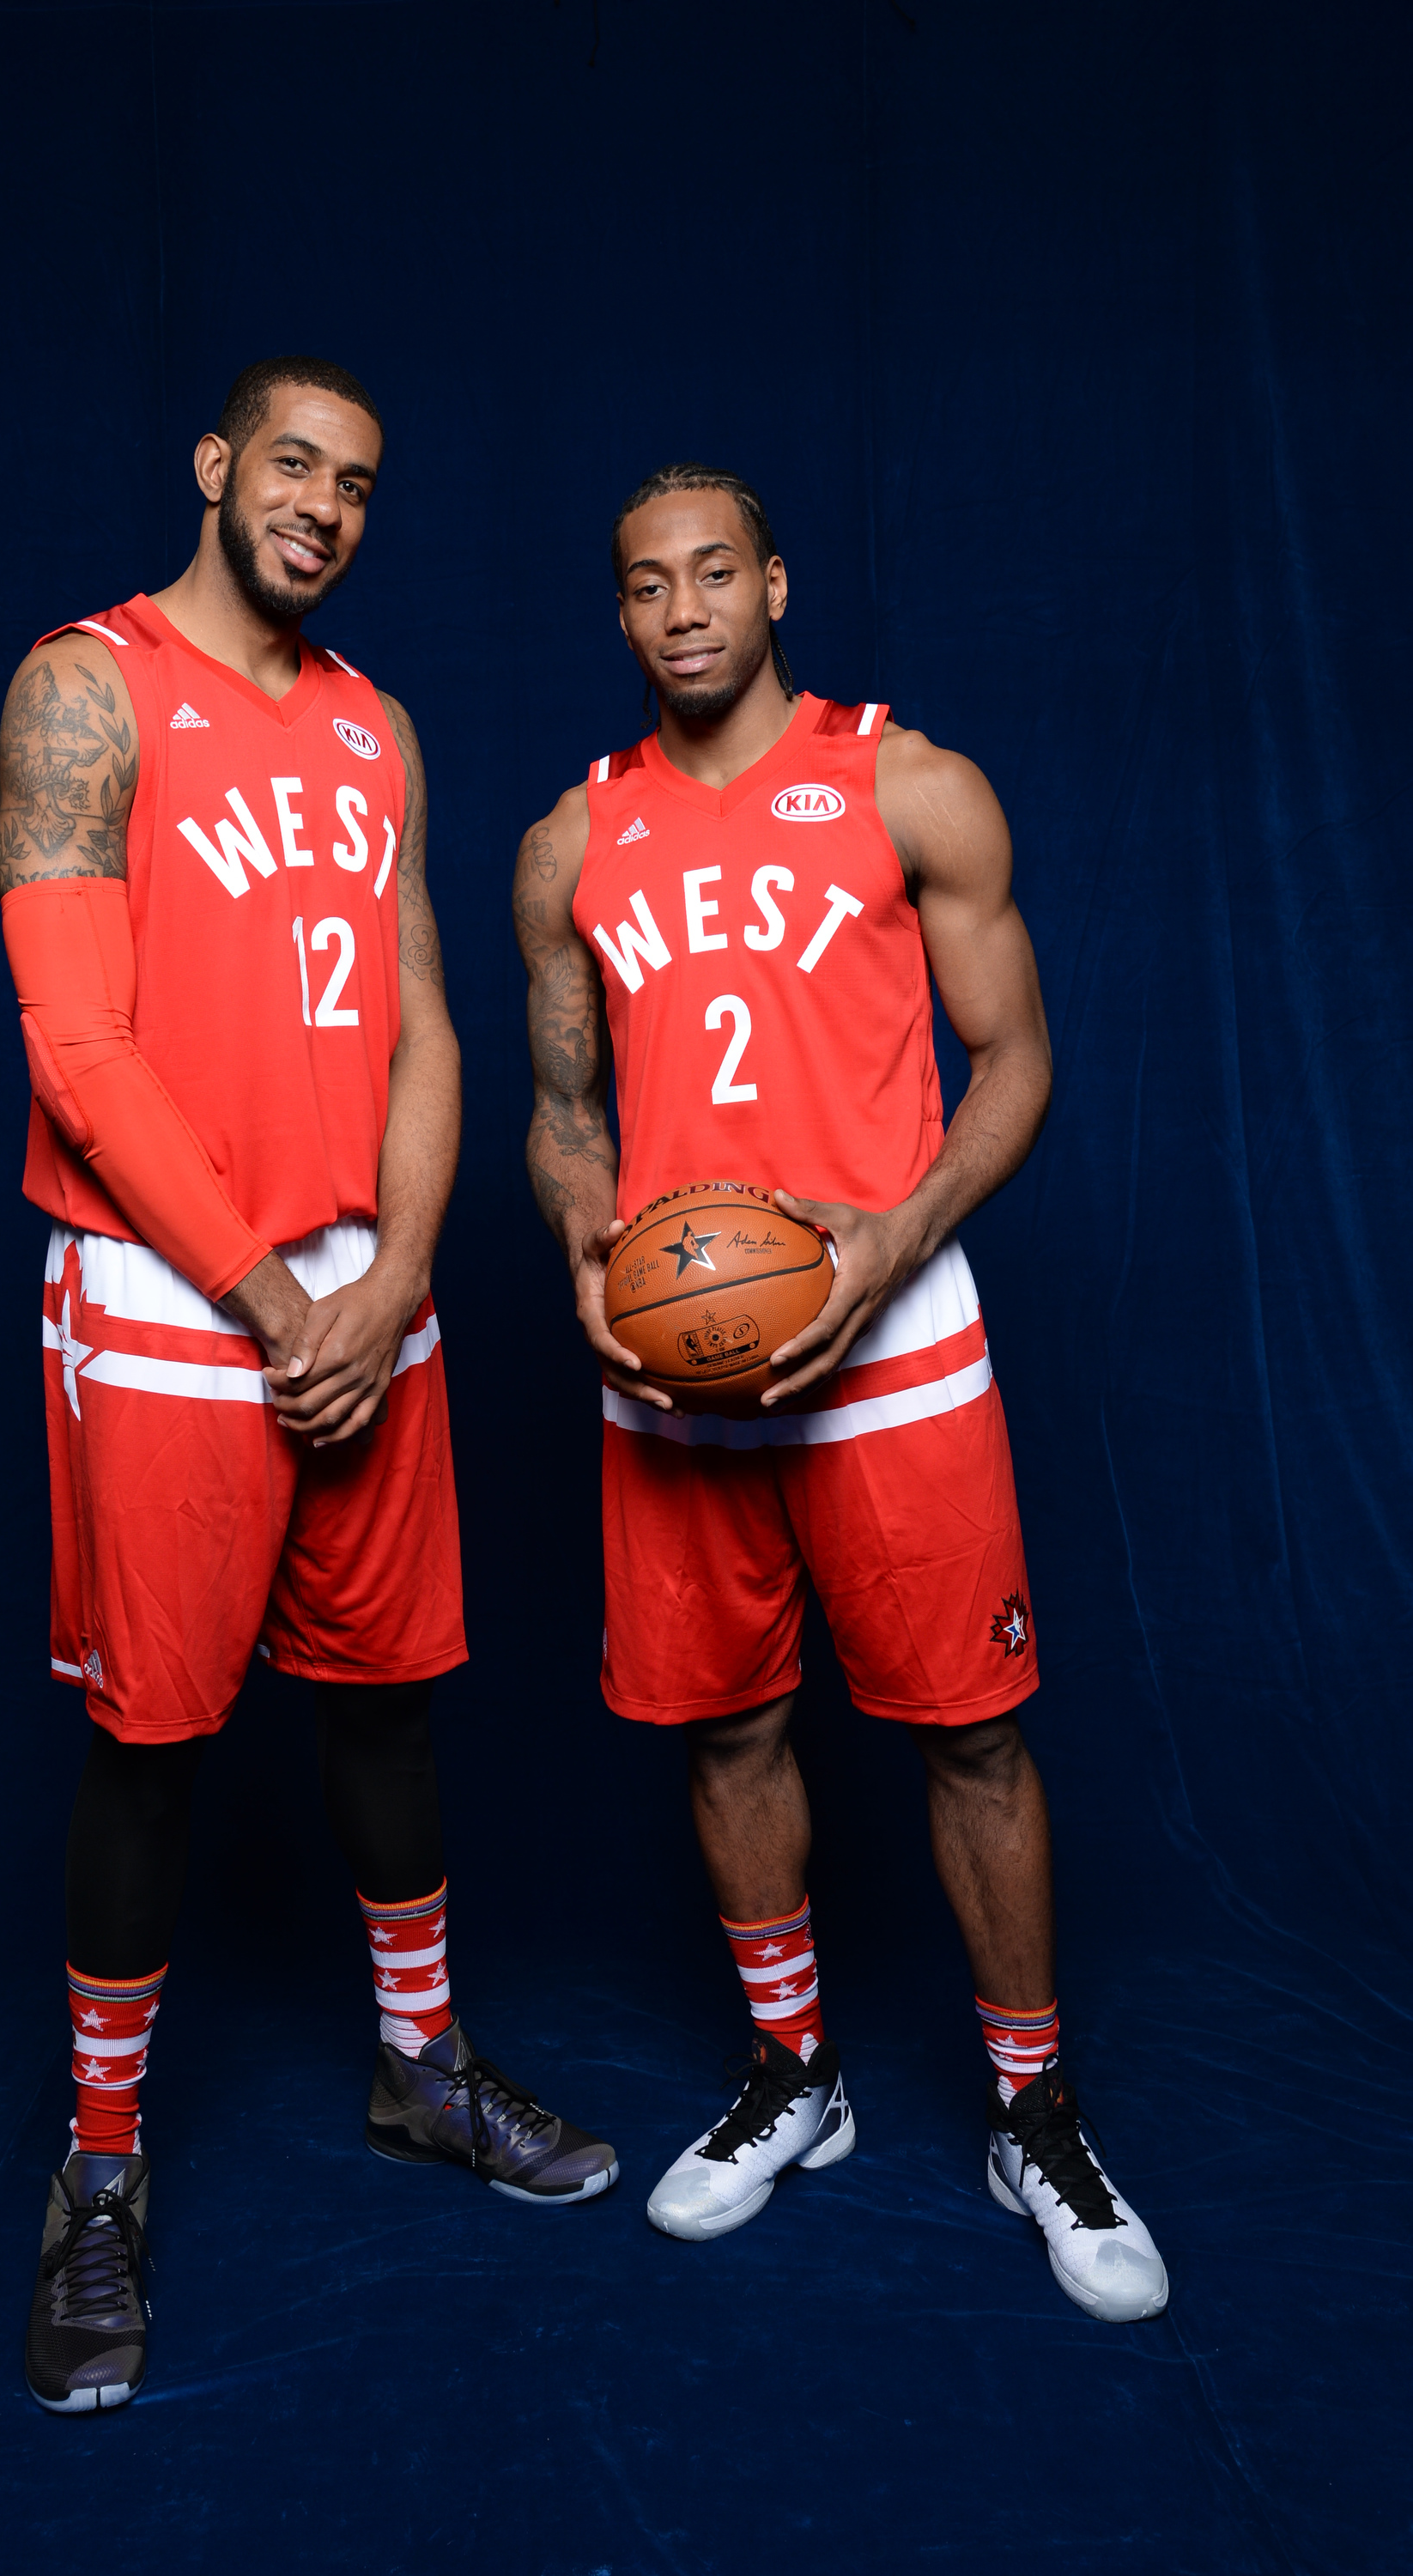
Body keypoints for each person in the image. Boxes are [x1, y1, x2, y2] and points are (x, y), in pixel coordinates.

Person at [0, 355, 616, 2415]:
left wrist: (408, 1271)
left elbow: (433, 1022)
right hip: (187, 1306)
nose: (325, 509)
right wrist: (277, 1299)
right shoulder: (84, 685)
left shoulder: (375, 727)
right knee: (156, 1744)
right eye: (293, 466)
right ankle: (103, 2176)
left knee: (383, 1704)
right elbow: (80, 1053)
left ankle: (419, 2070)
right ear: (215, 467)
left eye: (358, 485)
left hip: (372, 1293)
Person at [512, 461, 1166, 2323]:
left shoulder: (911, 786)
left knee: (972, 1735)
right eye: (647, 585)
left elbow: (1015, 1057)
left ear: (776, 583)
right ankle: (798, 2078)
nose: (685, 609)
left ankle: (1033, 2113)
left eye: (717, 572)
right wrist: (579, 1243)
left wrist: (890, 1235)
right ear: (623, 614)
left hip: (894, 1361)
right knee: (727, 1735)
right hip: (679, 1383)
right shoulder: (571, 845)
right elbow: (566, 1122)